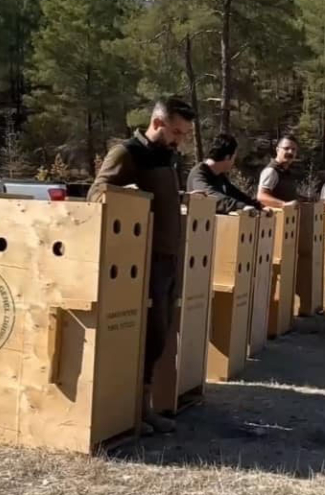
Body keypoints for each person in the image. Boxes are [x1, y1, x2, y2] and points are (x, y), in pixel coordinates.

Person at [86, 96, 195, 435]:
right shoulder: (127, 152)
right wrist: (128, 196)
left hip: (167, 259)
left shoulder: (167, 157)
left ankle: (144, 407)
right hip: (139, 263)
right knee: (144, 334)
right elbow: (96, 194)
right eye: (177, 132)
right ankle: (131, 409)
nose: (180, 139)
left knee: (158, 335)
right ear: (158, 123)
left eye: (185, 134)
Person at [186, 133, 263, 214]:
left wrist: (258, 206)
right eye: (234, 157)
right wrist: (240, 206)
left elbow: (235, 194)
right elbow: (211, 196)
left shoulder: (219, 175)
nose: (234, 162)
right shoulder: (198, 174)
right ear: (227, 157)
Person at [256, 135, 299, 208]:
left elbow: (287, 196)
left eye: (293, 149)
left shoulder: (286, 172)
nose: (290, 152)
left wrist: (305, 199)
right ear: (277, 150)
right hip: (274, 217)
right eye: (286, 148)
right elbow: (261, 197)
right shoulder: (271, 171)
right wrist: (283, 205)